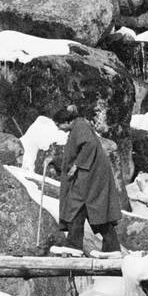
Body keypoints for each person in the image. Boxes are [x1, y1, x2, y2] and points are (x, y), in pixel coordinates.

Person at [51, 106, 125, 258]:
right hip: (90, 176)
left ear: (67, 121)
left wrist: (77, 165)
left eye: (59, 125)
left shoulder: (81, 126)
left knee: (77, 206)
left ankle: (74, 245)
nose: (59, 129)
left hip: (90, 177)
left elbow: (89, 144)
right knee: (90, 210)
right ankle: (111, 248)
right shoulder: (78, 128)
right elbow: (77, 151)